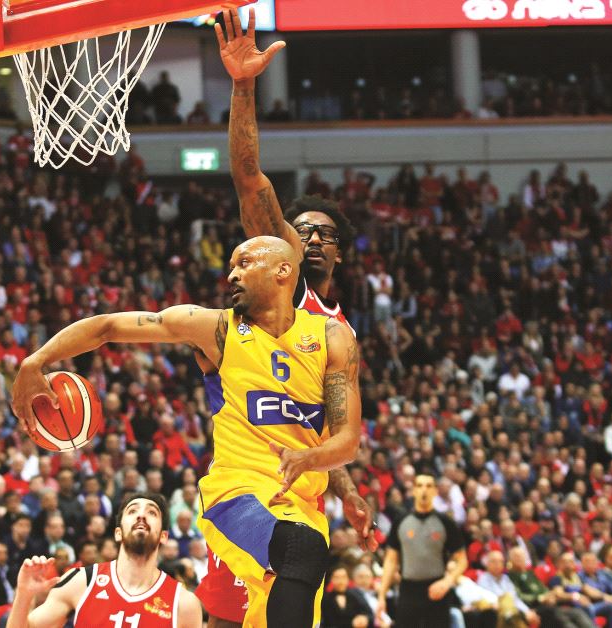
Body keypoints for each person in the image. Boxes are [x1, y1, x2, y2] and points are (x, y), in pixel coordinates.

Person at [11, 235, 363, 628]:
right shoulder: (216, 329)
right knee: (301, 549)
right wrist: (35, 361)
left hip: (302, 504)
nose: (232, 275)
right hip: (236, 495)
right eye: (231, 266)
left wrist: (311, 458)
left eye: (245, 263)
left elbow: (347, 442)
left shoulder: (332, 336)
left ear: (283, 270)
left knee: (292, 576)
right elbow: (108, 326)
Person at [208, 8, 376, 626]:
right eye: (297, 230)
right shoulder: (284, 285)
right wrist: (243, 85)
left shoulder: (336, 331)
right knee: (228, 615)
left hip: (297, 494)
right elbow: (249, 176)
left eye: (323, 233)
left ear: (339, 251)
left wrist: (348, 491)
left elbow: (321, 428)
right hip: (245, 479)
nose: (309, 238)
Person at [6, 492, 202, 627]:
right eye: (132, 511)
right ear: (118, 533)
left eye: (151, 512)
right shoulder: (81, 581)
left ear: (164, 536)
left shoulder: (183, 603)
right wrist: (24, 594)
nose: (141, 515)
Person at [375, 474, 468, 628]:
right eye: (419, 485)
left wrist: (447, 582)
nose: (424, 490)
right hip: (408, 590)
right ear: (413, 491)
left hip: (437, 589)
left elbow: (462, 560)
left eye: (428, 486)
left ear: (435, 491)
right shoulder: (400, 521)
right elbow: (390, 561)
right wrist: (381, 596)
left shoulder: (446, 522)